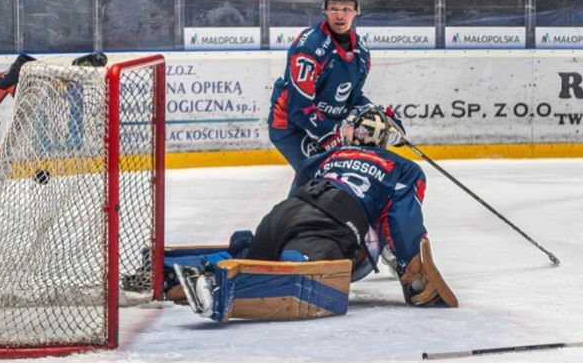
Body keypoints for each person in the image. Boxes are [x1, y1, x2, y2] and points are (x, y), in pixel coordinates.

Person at [173, 104, 456, 321]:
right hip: (332, 223)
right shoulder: (402, 167)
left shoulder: (326, 156)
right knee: (297, 269)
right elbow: (401, 220)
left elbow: (299, 184)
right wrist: (410, 265)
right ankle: (213, 286)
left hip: (284, 213)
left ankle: (175, 268)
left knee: (254, 256)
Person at [268, 0, 373, 173]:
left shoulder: (361, 52)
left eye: (346, 9)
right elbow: (299, 108)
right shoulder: (310, 47)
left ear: (356, 10)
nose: (339, 15)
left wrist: (377, 113)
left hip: (325, 122)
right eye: (333, 8)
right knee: (325, 176)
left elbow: (352, 98)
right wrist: (331, 134)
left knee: (354, 172)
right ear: (324, 9)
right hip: (290, 127)